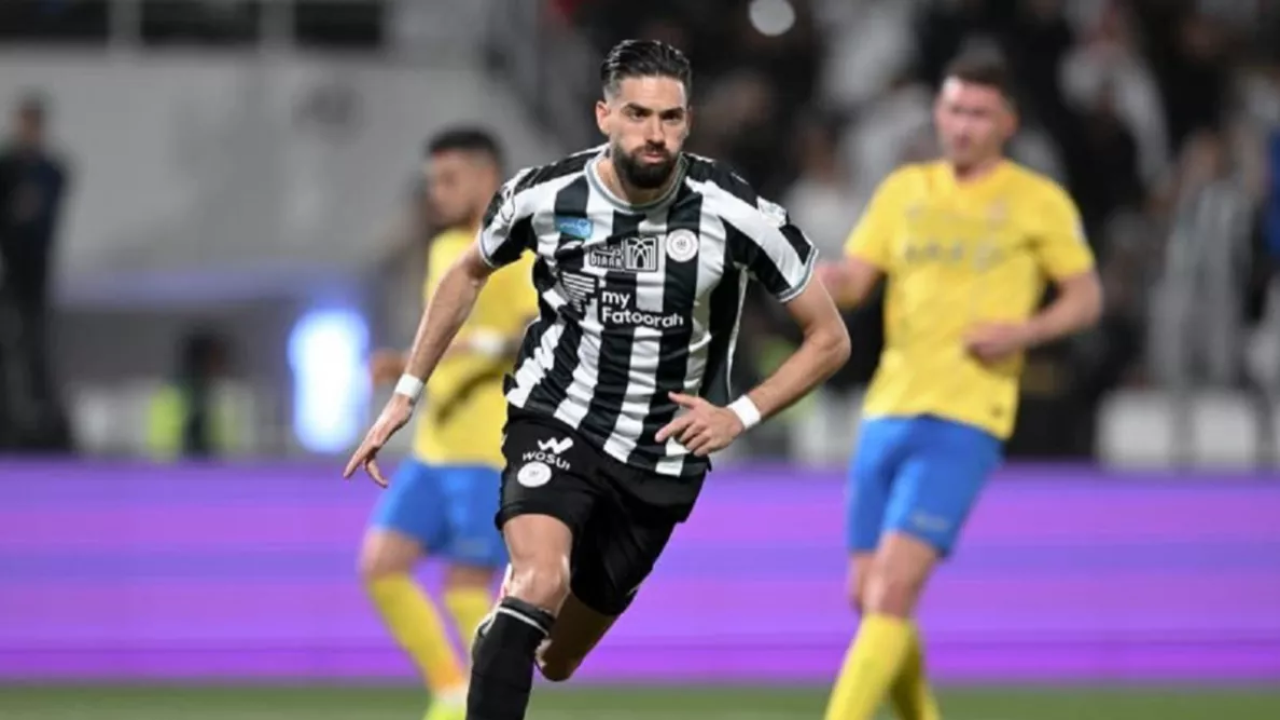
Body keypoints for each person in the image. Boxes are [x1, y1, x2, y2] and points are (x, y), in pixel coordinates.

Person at [344, 39, 851, 720]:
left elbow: (830, 338)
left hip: (662, 455)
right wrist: (408, 391)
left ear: (689, 122)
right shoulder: (545, 196)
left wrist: (739, 415)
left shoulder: (735, 213)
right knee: (537, 581)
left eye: (670, 117)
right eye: (637, 114)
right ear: (604, 115)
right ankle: (511, 620)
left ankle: (508, 635)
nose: (654, 133)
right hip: (559, 418)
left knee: (556, 660)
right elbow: (467, 271)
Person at [816, 50, 1104, 720]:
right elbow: (858, 279)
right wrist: (830, 280)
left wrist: (1025, 332)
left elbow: (1086, 297)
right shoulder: (905, 190)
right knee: (869, 596)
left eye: (978, 113)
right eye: (953, 110)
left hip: (967, 414)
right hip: (888, 407)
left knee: (890, 592)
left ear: (1007, 123)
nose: (963, 125)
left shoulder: (1037, 201)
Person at [358, 128, 537, 720]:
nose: (436, 192)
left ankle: (482, 705)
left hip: (490, 447)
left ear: (486, 178)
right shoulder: (444, 250)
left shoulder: (521, 251)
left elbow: (532, 335)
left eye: (448, 180)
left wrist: (466, 349)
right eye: (432, 181)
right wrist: (409, 362)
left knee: (466, 587)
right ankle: (451, 687)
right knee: (381, 567)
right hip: (434, 447)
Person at [0, 91, 71, 451]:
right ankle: (9, 420)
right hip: (8, 271)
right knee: (9, 346)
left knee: (36, 348)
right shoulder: (6, 168)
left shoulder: (52, 170)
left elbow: (46, 217)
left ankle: (43, 424)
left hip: (35, 274)